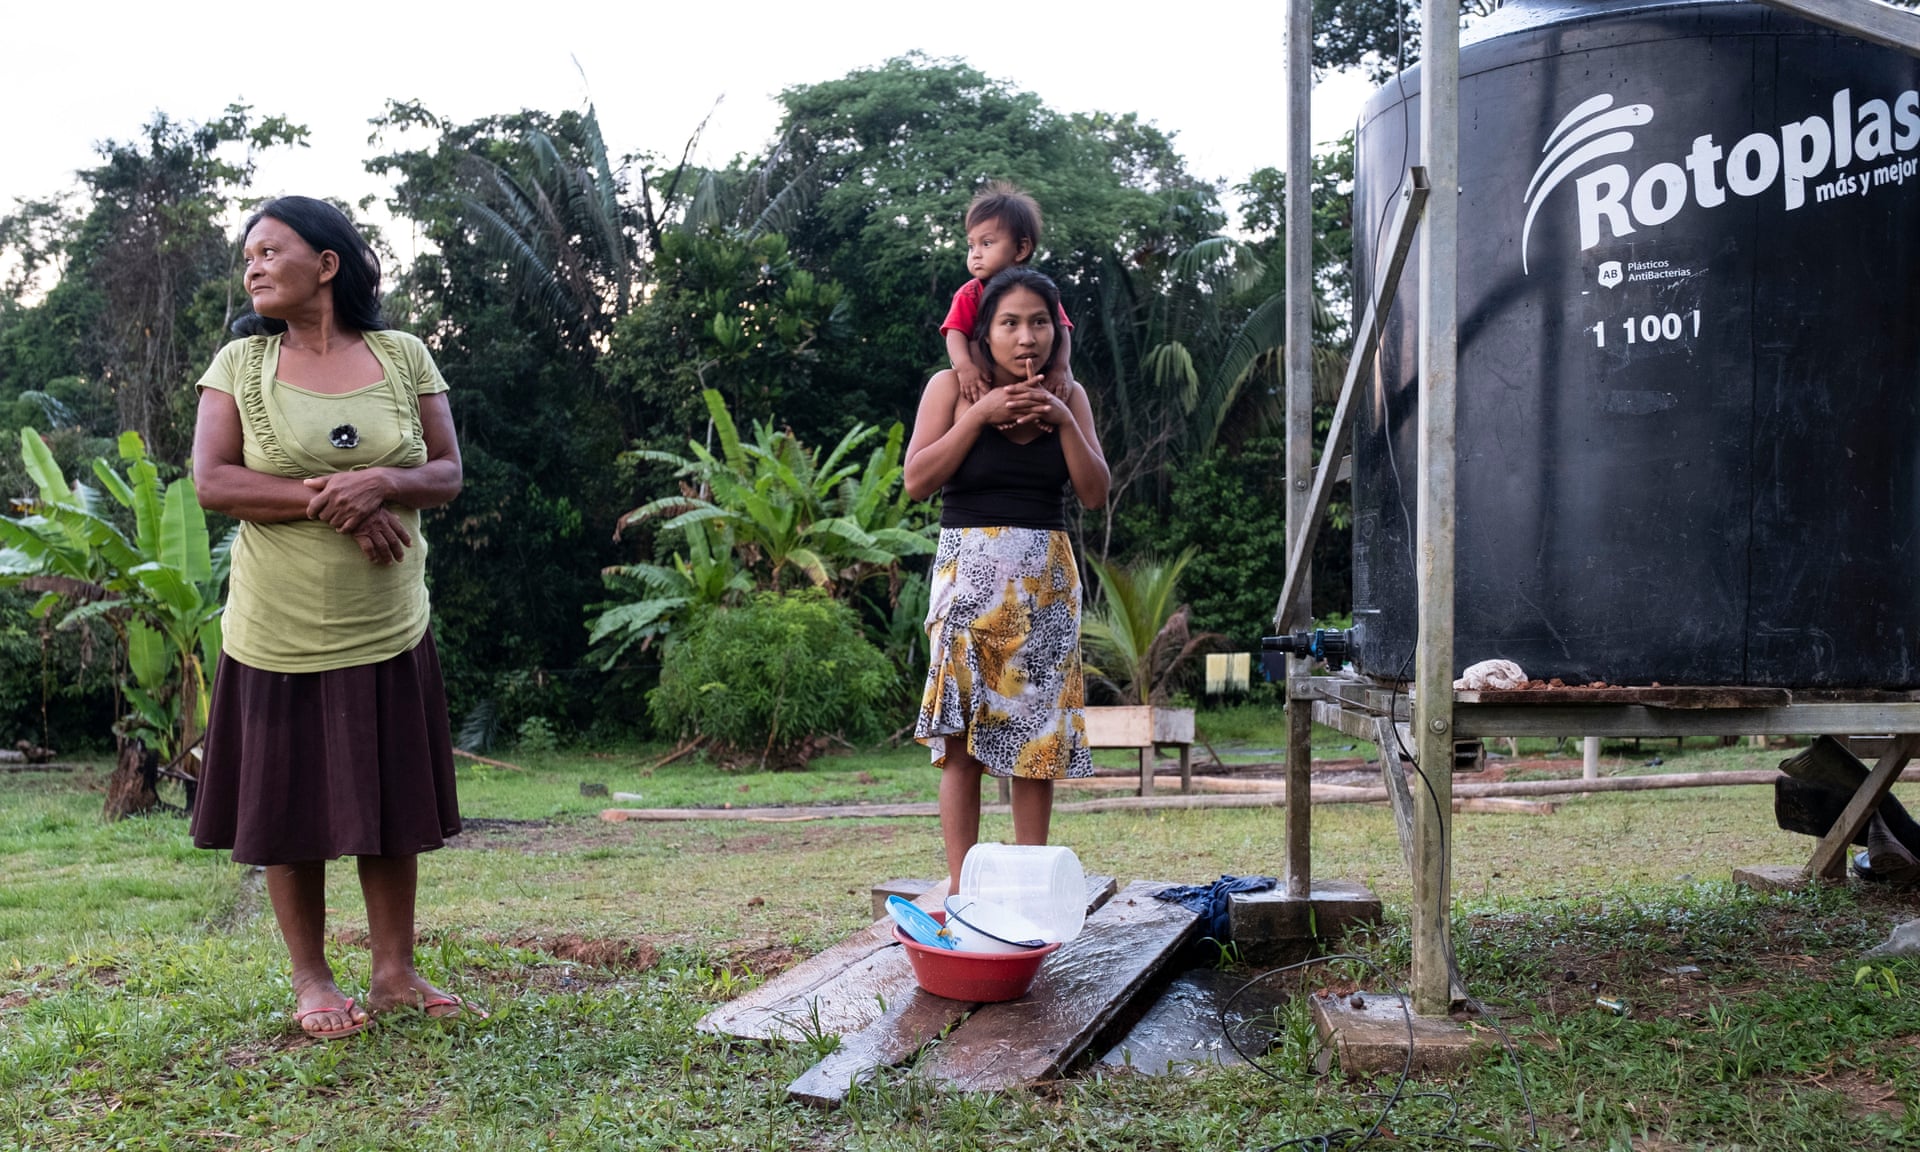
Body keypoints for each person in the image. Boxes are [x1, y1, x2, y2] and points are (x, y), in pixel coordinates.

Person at [189, 196, 473, 1039]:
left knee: (388, 801)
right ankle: (312, 980)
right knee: (288, 806)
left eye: (272, 250)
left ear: (329, 263)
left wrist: (382, 481)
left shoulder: (403, 354)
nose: (255, 266)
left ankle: (395, 973)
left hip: (387, 622)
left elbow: (448, 471)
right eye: (249, 256)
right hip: (276, 628)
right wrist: (333, 497)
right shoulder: (239, 364)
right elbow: (215, 483)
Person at [905, 266, 1111, 894]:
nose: (1027, 338)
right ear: (984, 333)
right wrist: (980, 416)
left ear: (1057, 329)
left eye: (1040, 322)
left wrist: (1064, 419)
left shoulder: (1070, 396)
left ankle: (1027, 892)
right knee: (962, 745)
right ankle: (963, 889)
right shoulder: (948, 388)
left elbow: (1095, 493)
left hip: (1044, 588)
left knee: (1035, 743)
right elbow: (917, 480)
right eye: (1010, 323)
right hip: (968, 581)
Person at [942, 182, 1076, 407]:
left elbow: (1062, 329)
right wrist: (966, 368)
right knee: (973, 347)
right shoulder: (970, 293)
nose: (975, 254)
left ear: (1021, 249)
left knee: (1067, 381)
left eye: (986, 243)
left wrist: (1060, 367)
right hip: (984, 379)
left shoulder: (1037, 292)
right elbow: (955, 333)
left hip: (1034, 373)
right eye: (971, 246)